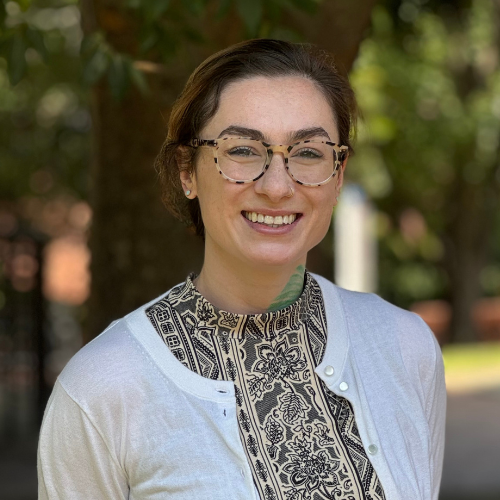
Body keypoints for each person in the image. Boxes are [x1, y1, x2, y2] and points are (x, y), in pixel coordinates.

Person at [37, 39, 446, 500]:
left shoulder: (405, 348)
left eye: (308, 153)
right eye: (243, 150)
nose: (276, 186)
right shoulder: (103, 389)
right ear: (187, 170)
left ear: (338, 173)